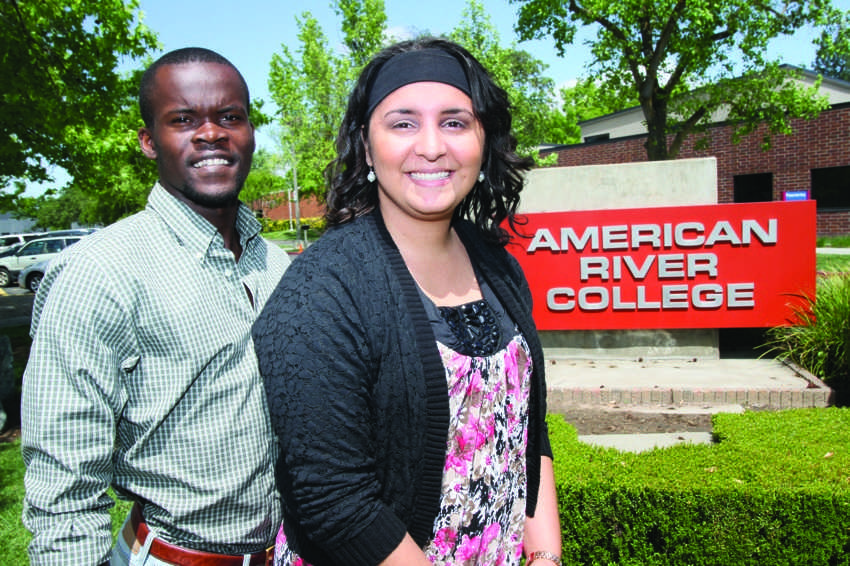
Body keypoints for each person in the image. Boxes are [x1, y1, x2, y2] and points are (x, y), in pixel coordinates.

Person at [253, 37, 562, 566]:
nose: (431, 146)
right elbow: (335, 502)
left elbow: (528, 430)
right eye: (402, 123)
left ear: (483, 141)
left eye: (454, 122)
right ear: (368, 148)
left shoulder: (499, 266)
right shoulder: (323, 291)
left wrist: (547, 556)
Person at [21, 47, 290, 566]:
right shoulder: (98, 274)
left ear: (251, 132)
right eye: (183, 119)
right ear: (149, 142)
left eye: (229, 117)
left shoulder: (276, 265)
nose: (211, 134)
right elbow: (63, 488)